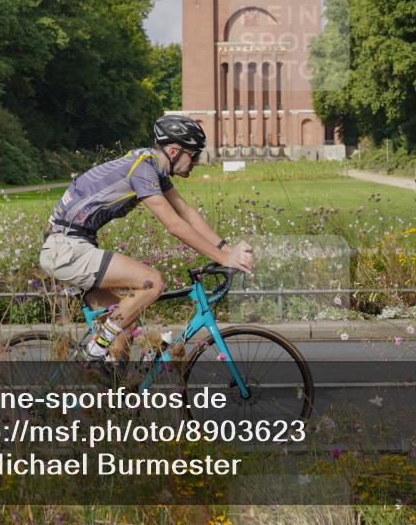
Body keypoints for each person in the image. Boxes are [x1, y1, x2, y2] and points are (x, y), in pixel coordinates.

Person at [39, 115, 254, 375]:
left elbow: (185, 212)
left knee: (126, 327)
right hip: (66, 248)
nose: (196, 161)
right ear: (174, 152)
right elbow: (174, 225)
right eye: (194, 154)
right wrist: (222, 258)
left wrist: (227, 249)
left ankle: (112, 391)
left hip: (74, 245)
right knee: (152, 282)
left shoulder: (151, 166)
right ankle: (95, 351)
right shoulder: (143, 169)